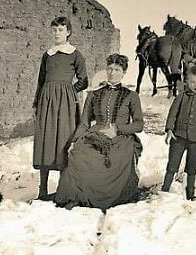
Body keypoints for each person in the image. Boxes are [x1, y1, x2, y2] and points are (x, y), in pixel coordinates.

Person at [54, 54, 143, 211]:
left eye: (117, 69)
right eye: (109, 69)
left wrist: (117, 129)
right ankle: (78, 196)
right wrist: (74, 141)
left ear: (124, 72)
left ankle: (112, 197)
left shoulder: (131, 96)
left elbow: (139, 124)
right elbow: (84, 123)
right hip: (96, 134)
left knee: (118, 158)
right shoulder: (94, 94)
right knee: (80, 153)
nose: (112, 73)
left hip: (120, 138)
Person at [32, 16, 89, 200]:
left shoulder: (74, 54)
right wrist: (36, 103)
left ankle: (62, 188)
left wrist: (70, 91)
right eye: (54, 29)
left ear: (68, 32)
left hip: (65, 103)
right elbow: (41, 81)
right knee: (46, 140)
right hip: (47, 101)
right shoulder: (47, 55)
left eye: (61, 30)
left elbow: (84, 80)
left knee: (64, 139)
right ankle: (42, 189)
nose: (57, 33)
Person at [161, 65, 196, 200]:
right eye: (192, 82)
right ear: (187, 82)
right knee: (173, 164)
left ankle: (190, 192)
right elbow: (172, 113)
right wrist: (169, 129)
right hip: (178, 137)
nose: (195, 85)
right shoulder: (182, 97)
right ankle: (165, 190)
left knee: (192, 166)